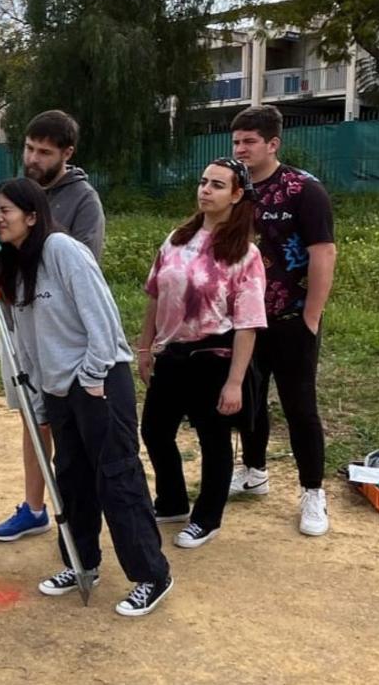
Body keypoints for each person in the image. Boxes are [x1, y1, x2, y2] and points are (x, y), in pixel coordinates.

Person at [0, 177, 172, 617]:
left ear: (32, 216)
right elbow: (27, 342)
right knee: (70, 480)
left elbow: (103, 320)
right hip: (56, 389)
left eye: (5, 213)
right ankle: (80, 561)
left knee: (117, 478)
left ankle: (152, 575)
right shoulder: (14, 265)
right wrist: (36, 395)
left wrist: (92, 377)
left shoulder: (62, 250)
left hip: (97, 382)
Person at [136, 159, 267, 549]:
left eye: (218, 185)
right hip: (172, 354)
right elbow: (154, 296)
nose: (205, 190)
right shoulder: (177, 238)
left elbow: (248, 324)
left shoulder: (244, 254)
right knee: (155, 431)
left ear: (237, 195)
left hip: (214, 357)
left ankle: (207, 518)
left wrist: (235, 382)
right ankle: (173, 501)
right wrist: (145, 347)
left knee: (213, 440)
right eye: (203, 182)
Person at [0, 109, 106, 542]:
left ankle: (80, 513)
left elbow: (82, 269)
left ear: (66, 153)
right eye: (29, 148)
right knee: (31, 417)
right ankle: (34, 506)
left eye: (44, 151)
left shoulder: (83, 201)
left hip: (60, 334)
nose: (33, 158)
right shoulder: (14, 195)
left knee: (68, 426)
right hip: (18, 324)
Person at [230, 105, 337, 536]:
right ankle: (253, 471)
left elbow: (323, 252)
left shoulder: (302, 189)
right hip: (244, 319)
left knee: (299, 407)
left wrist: (311, 314)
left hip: (291, 316)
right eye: (236, 142)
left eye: (249, 142)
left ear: (273, 144)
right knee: (248, 399)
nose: (241, 150)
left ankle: (313, 491)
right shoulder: (233, 188)